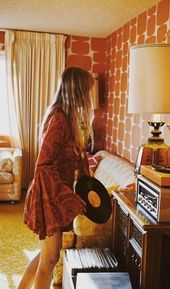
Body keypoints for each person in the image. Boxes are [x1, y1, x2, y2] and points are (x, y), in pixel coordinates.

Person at [17, 66, 95, 289]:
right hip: (49, 196)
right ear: (77, 91)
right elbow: (43, 165)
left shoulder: (65, 116)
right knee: (50, 259)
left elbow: (74, 158)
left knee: (47, 255)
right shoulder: (60, 118)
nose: (89, 97)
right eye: (87, 91)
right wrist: (67, 199)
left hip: (54, 195)